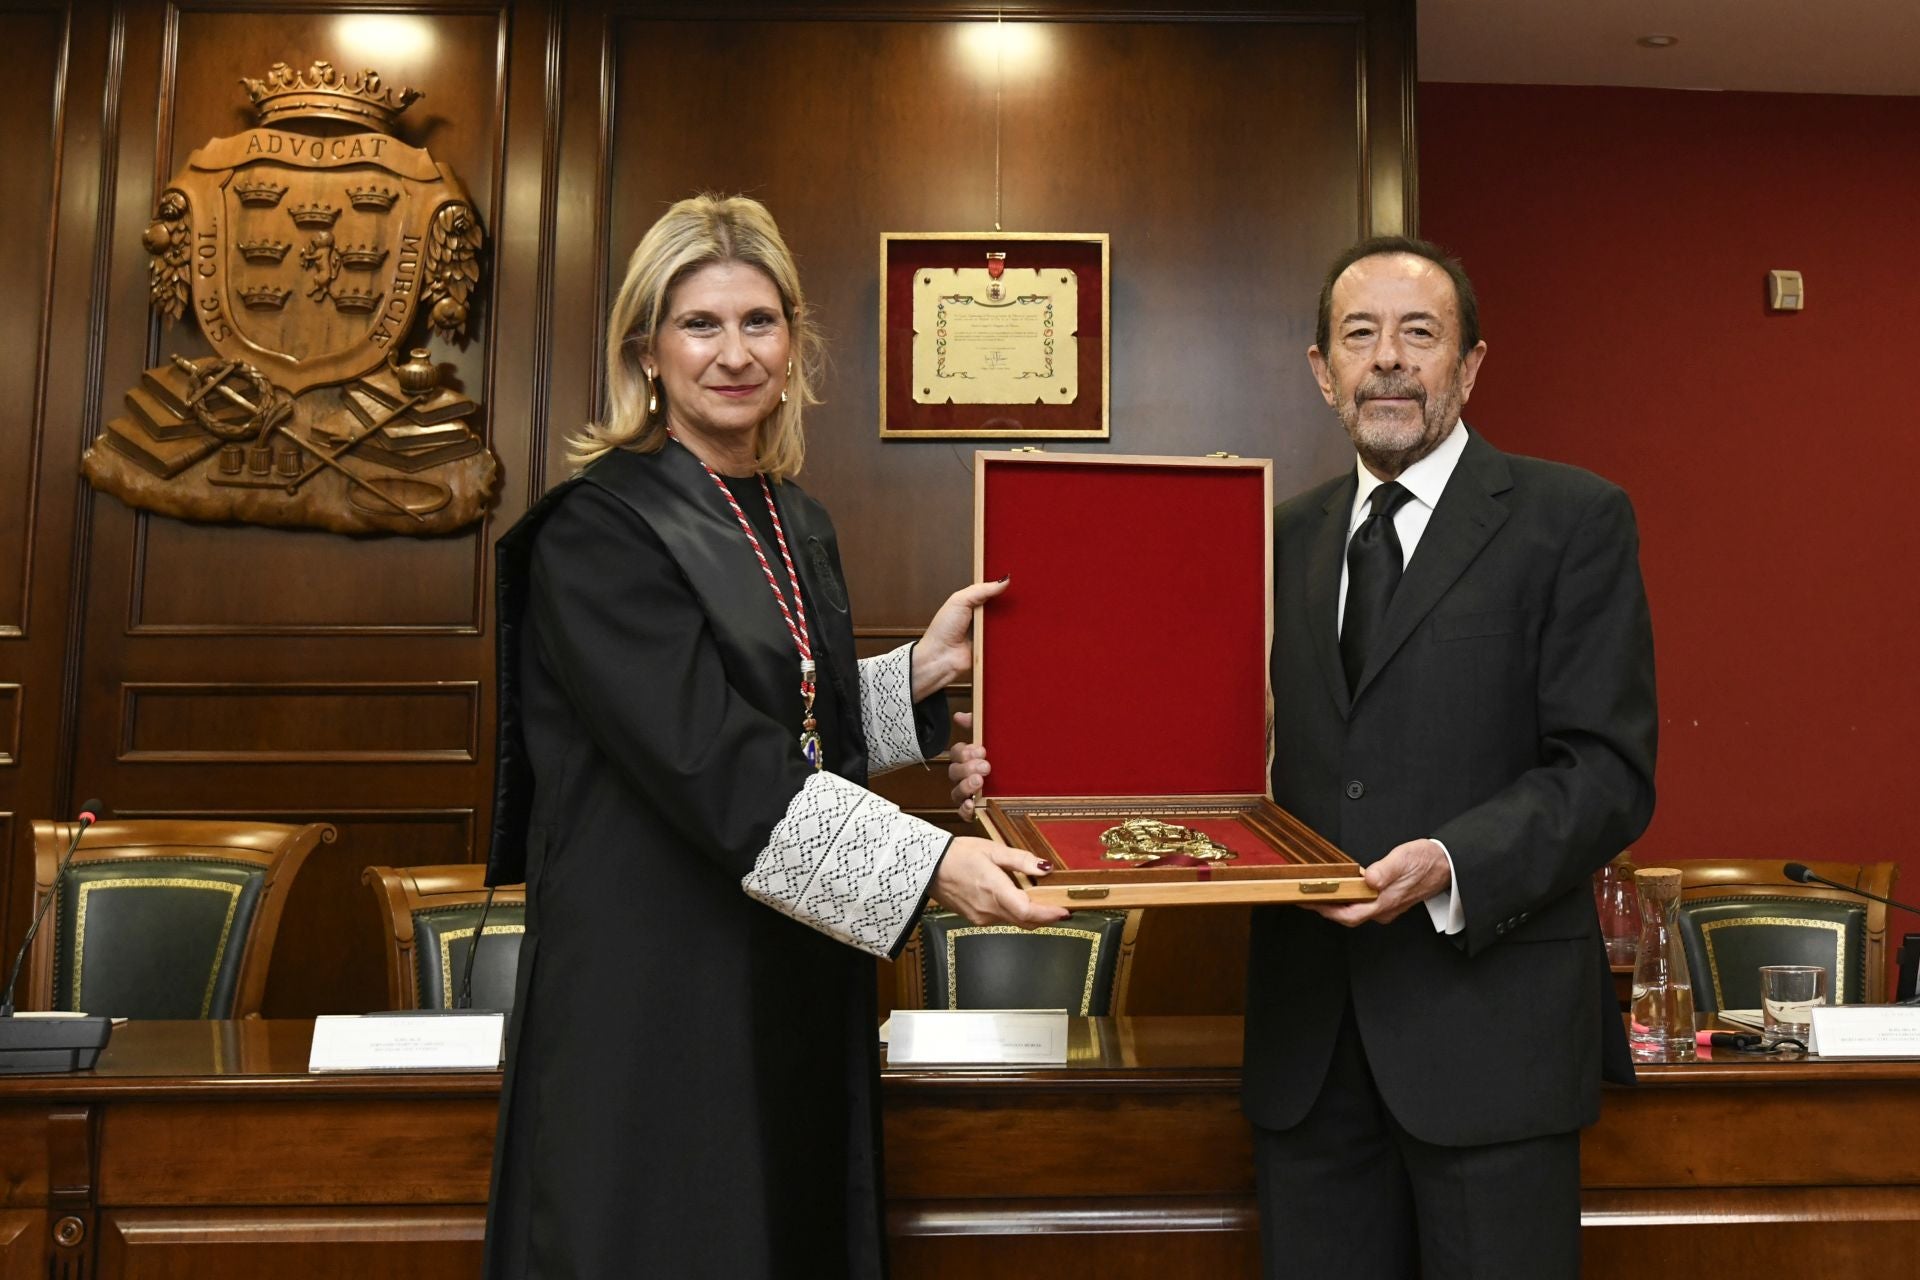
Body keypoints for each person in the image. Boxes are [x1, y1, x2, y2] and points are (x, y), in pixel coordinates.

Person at [952, 235, 1658, 1278]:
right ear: (1321, 371)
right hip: (1308, 1054)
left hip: (1489, 1043)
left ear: (1469, 366)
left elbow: (1609, 768)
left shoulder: (1572, 519)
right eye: (1359, 335)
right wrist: (1025, 777)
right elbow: (1183, 741)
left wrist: (1451, 861)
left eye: (1420, 334)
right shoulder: (1271, 537)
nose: (1388, 358)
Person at [483, 193, 1067, 1280]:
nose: (734, 353)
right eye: (700, 324)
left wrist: (922, 682)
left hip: (788, 968)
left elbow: (787, 711)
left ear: (792, 343)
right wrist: (933, 862)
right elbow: (709, 758)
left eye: (759, 322)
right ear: (645, 350)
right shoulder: (598, 529)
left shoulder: (793, 515)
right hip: (654, 986)